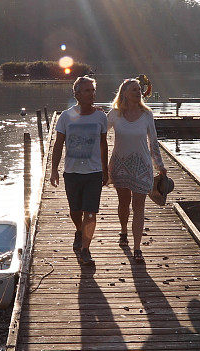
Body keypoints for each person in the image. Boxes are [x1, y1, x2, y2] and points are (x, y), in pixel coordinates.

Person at [50, 76, 109, 266]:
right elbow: (58, 145)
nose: (91, 94)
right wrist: (54, 170)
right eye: (87, 91)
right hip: (72, 172)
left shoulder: (101, 116)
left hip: (94, 173)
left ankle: (86, 249)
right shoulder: (66, 116)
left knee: (90, 213)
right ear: (76, 94)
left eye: (93, 90)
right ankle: (78, 230)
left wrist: (105, 169)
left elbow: (103, 144)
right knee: (75, 211)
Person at [108, 78, 167, 264]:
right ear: (124, 92)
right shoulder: (115, 114)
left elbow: (153, 143)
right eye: (133, 89)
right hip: (120, 165)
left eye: (139, 89)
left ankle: (137, 248)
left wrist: (160, 165)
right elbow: (99, 132)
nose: (138, 92)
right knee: (123, 203)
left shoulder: (147, 114)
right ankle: (123, 230)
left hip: (142, 166)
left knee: (139, 206)